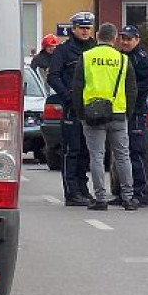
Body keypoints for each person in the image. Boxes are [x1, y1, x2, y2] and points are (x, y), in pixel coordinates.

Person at [72, 22, 138, 211]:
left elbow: (77, 88)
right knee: (123, 157)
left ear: (98, 35)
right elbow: (132, 90)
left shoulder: (86, 57)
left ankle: (100, 198)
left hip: (92, 114)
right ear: (115, 37)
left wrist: (81, 114)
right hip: (118, 114)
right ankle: (128, 197)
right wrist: (127, 113)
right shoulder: (123, 59)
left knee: (96, 157)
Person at [48, 12, 97, 206]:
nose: (85, 31)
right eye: (81, 28)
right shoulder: (64, 51)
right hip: (72, 108)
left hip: (92, 108)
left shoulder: (95, 48)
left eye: (88, 28)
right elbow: (53, 76)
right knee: (72, 150)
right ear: (73, 29)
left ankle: (83, 188)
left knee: (86, 151)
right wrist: (68, 97)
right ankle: (72, 192)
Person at [119, 24, 148, 206]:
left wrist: (134, 90)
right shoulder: (122, 57)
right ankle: (125, 193)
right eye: (122, 38)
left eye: (129, 39)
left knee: (136, 153)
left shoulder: (139, 58)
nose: (125, 42)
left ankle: (140, 193)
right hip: (123, 111)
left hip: (136, 112)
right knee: (122, 154)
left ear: (137, 40)